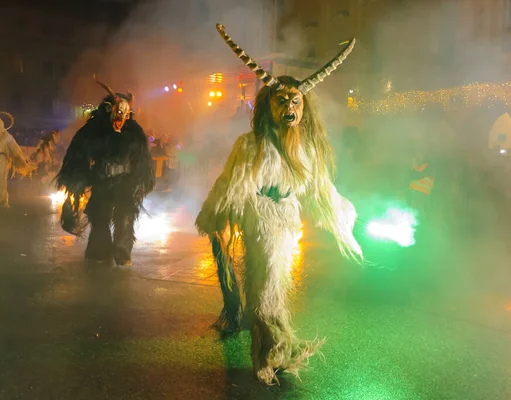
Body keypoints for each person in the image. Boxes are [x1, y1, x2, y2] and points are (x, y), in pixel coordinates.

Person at [195, 24, 362, 385]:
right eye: (281, 100)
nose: (288, 105)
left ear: (304, 107)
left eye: (295, 101)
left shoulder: (307, 148)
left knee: (272, 282)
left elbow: (321, 187)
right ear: (268, 106)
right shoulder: (251, 145)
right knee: (267, 283)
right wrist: (215, 214)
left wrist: (343, 213)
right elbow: (231, 183)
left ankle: (273, 350)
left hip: (287, 219)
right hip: (260, 218)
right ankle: (271, 354)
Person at [55, 76, 155, 266]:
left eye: (125, 116)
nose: (120, 120)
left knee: (125, 215)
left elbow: (142, 159)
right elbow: (78, 153)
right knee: (99, 215)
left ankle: (122, 251)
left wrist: (142, 180)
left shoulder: (134, 131)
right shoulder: (95, 128)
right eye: (117, 114)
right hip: (101, 178)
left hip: (126, 180)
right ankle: (99, 251)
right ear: (109, 110)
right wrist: (77, 179)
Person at [0, 112, 37, 208]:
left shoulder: (7, 138)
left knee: (1, 181)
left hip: (2, 160)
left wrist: (24, 163)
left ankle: (2, 201)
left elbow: (16, 152)